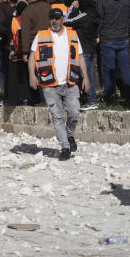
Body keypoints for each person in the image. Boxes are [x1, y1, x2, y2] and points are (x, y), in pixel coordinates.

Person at [29, 8, 91, 160]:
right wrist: (32, 75)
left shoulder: (72, 34)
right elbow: (32, 57)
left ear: (63, 19)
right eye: (52, 18)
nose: (54, 21)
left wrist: (86, 78)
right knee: (57, 117)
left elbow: (81, 57)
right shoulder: (41, 35)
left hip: (70, 82)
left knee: (74, 113)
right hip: (49, 83)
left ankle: (69, 135)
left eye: (57, 18)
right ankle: (65, 147)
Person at [95, 0, 130, 104]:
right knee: (125, 68)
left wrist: (97, 34)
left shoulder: (102, 0)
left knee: (109, 69)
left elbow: (99, 20)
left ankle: (108, 95)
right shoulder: (126, 0)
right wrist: (127, 33)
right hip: (123, 38)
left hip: (108, 39)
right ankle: (128, 93)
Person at [65, 0, 100, 110]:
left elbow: (66, 21)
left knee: (86, 76)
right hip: (92, 49)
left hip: (84, 50)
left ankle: (92, 100)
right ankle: (86, 98)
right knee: (87, 75)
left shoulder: (84, 16)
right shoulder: (95, 14)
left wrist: (72, 8)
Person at [6, 1, 31, 106]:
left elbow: (7, 33)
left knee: (14, 78)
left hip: (14, 54)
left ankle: (14, 100)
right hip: (27, 55)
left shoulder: (13, 20)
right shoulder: (28, 20)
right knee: (26, 77)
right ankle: (27, 98)